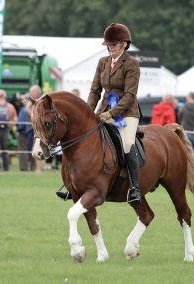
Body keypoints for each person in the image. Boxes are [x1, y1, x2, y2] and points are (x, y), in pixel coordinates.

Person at [57, 23, 142, 204]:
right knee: (83, 139)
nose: (110, 47)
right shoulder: (102, 62)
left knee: (127, 143)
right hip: (102, 111)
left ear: (124, 44)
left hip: (126, 113)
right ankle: (73, 185)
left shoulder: (132, 64)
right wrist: (86, 112)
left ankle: (135, 188)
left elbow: (129, 95)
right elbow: (95, 90)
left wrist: (112, 113)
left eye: (114, 44)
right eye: (109, 45)